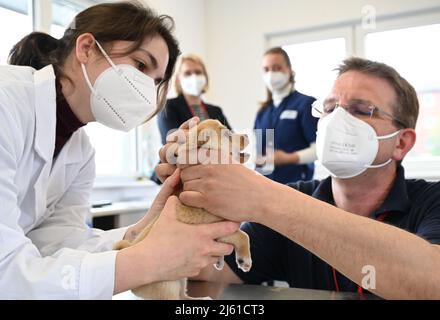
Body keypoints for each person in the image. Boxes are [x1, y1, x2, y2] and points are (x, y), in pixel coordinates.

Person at [0, 1, 238, 299]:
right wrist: (148, 260)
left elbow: (56, 244)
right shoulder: (5, 100)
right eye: (140, 65)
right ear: (86, 48)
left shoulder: (81, 153)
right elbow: (6, 270)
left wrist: (144, 230)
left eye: (155, 81)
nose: (146, 90)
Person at [156, 57, 440, 299]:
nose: (336, 121)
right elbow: (198, 275)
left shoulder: (432, 201)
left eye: (360, 110)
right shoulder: (293, 202)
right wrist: (190, 206)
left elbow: (432, 281)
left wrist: (264, 197)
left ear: (402, 143)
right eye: (329, 108)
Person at [255, 47, 318, 184]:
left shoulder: (305, 104)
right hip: (265, 186)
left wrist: (289, 158)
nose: (271, 73)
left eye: (277, 68)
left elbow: (319, 149)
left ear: (289, 70)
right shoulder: (263, 112)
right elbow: (259, 152)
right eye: (266, 69)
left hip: (297, 186)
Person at [157, 53, 231, 145]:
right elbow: (173, 144)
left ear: (205, 77)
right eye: (187, 73)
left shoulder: (216, 111)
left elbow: (232, 141)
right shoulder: (167, 108)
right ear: (178, 79)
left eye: (198, 72)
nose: (194, 77)